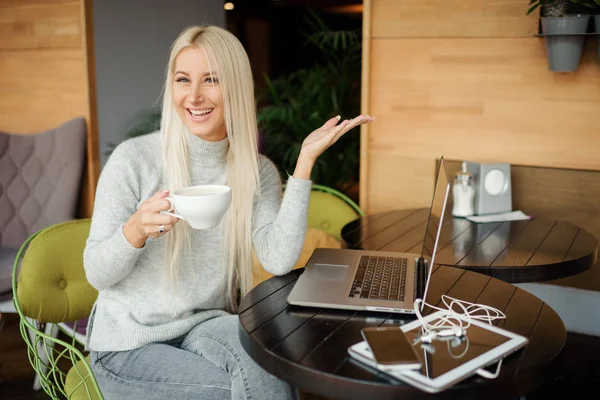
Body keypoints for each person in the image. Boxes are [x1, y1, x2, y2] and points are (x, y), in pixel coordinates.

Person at [84, 25, 373, 400]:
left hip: (204, 325)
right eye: (183, 79)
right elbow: (96, 273)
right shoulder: (134, 161)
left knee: (274, 370)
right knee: (231, 391)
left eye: (212, 80)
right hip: (127, 344)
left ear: (234, 87)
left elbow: (278, 257)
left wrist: (303, 165)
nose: (194, 95)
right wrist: (135, 230)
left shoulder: (255, 172)